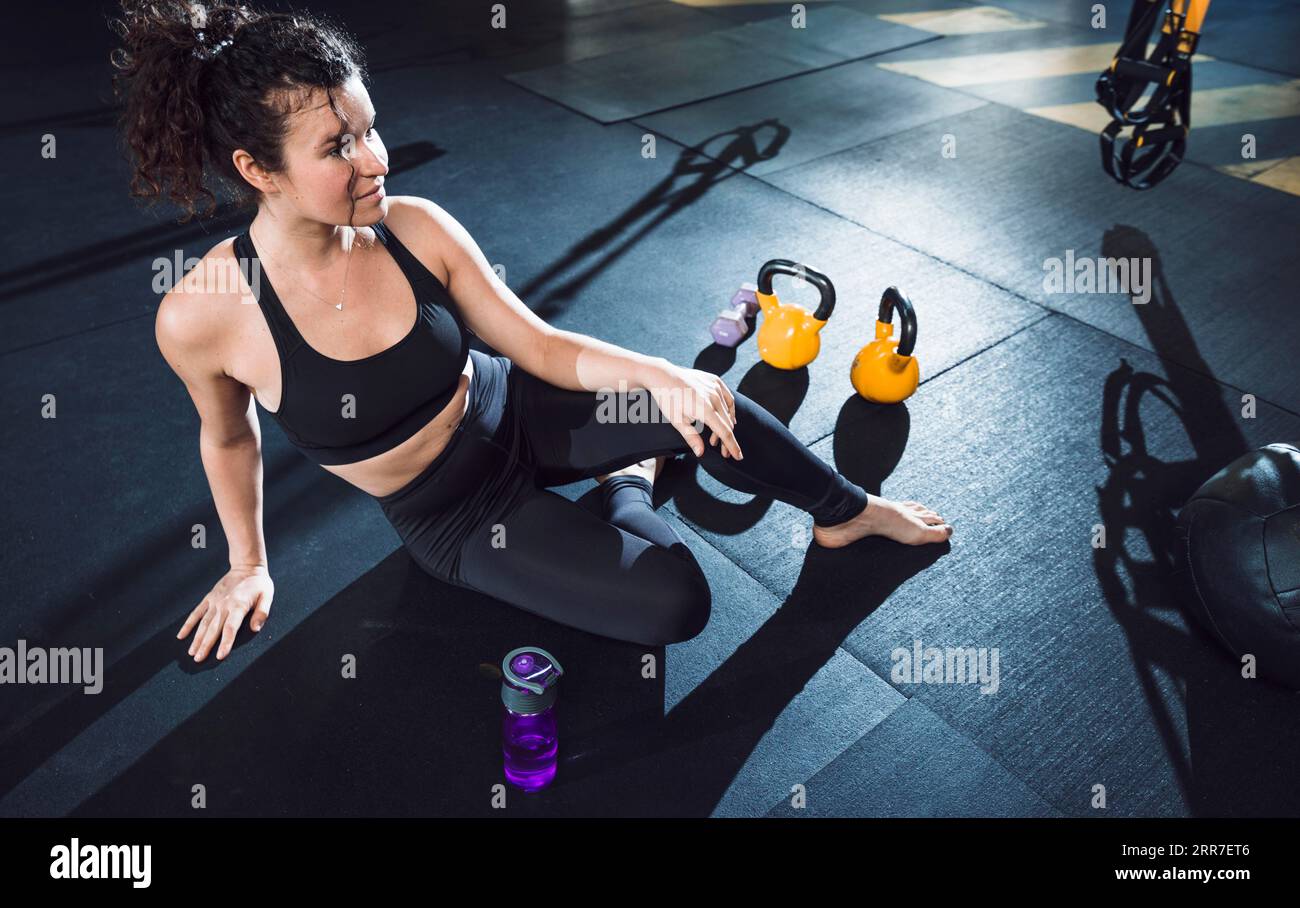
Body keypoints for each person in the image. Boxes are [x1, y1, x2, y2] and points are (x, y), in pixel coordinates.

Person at [110, 0, 951, 661]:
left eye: (370, 127)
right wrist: (248, 563)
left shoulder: (416, 228)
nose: (377, 160)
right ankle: (627, 479)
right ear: (257, 171)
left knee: (711, 402)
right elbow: (228, 440)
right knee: (675, 604)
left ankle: (847, 512)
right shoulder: (203, 314)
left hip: (520, 410)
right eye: (338, 147)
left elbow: (539, 346)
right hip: (456, 511)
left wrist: (664, 375)